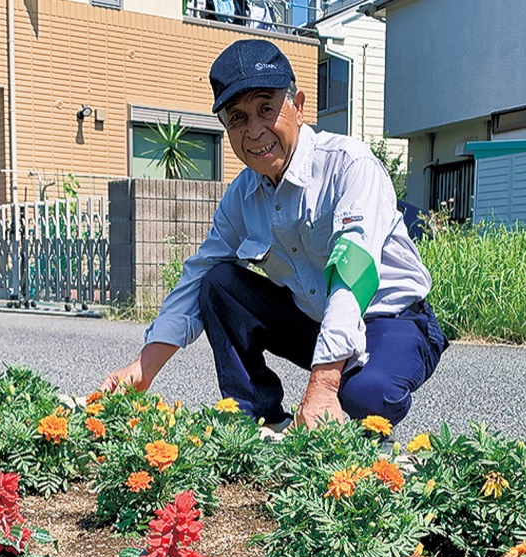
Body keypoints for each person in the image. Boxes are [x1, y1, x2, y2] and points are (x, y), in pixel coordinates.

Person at [101, 39, 448, 431]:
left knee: (362, 399)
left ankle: (346, 388)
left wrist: (324, 383)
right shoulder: (242, 195)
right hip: (315, 321)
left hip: (392, 319)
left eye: (267, 108)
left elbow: (355, 272)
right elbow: (198, 274)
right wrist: (144, 369)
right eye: (237, 118)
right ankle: (255, 416)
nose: (255, 131)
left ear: (297, 106)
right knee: (217, 283)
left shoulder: (350, 166)